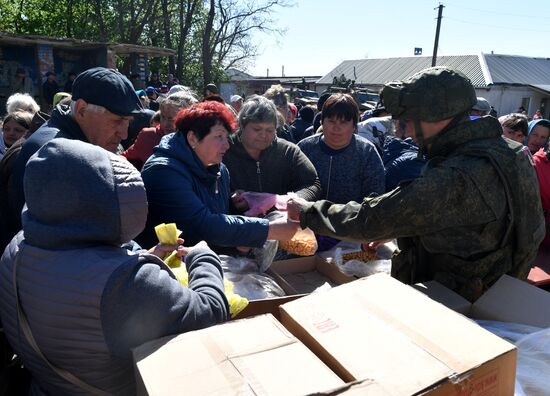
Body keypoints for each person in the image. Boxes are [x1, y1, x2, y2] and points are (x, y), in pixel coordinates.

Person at [288, 67, 544, 302]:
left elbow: (372, 218)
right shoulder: (509, 151)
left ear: (437, 117)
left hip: (458, 303)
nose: (405, 130)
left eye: (409, 120)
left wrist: (307, 211)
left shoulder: (458, 173)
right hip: (498, 290)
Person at [0, 138, 228, 395]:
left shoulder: (17, 247)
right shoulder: (127, 282)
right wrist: (203, 257)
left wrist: (144, 255)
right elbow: (211, 312)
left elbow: (80, 272)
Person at [138, 100, 299, 249]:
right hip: (166, 268)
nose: (227, 145)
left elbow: (219, 216)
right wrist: (268, 230)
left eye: (227, 137)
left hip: (204, 261)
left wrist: (235, 205)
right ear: (192, 138)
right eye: (219, 137)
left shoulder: (218, 169)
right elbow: (202, 225)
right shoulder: (163, 172)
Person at [8, 67, 144, 243]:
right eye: (117, 120)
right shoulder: (57, 154)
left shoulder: (65, 138)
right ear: (81, 109)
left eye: (127, 122)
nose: (124, 134)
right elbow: (68, 240)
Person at [298, 93, 384, 250]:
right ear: (322, 121)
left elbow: (374, 196)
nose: (336, 127)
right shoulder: (304, 148)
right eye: (331, 121)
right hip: (305, 230)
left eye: (344, 122)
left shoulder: (366, 152)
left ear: (354, 125)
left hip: (350, 233)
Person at [223, 95, 321, 202]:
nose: (263, 135)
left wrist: (287, 201)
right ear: (242, 125)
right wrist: (229, 198)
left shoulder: (288, 152)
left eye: (269, 130)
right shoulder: (223, 151)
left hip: (280, 216)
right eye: (257, 129)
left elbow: (313, 183)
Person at [123, 91, 197, 170]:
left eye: (171, 119)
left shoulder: (197, 140)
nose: (165, 124)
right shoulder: (149, 136)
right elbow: (123, 159)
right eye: (163, 117)